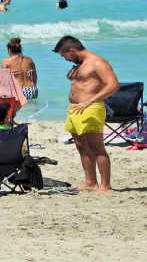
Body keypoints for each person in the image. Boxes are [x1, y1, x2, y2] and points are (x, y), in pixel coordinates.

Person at [53, 35, 119, 193]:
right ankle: (90, 182)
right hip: (75, 109)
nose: (65, 59)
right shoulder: (80, 64)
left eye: (65, 55)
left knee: (96, 147)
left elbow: (113, 85)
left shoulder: (97, 62)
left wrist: (89, 101)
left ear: (73, 50)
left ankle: (105, 185)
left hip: (90, 107)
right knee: (81, 146)